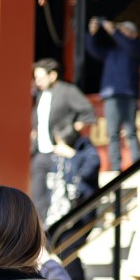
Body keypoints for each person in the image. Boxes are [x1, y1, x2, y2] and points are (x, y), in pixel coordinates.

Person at [30, 59, 97, 222]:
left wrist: (69, 132)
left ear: (53, 75)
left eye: (41, 77)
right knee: (37, 194)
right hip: (40, 151)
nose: (38, 82)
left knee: (58, 196)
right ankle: (41, 231)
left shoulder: (67, 91)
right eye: (36, 78)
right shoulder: (40, 95)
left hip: (60, 150)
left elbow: (88, 113)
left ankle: (58, 233)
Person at [86, 18, 140, 170]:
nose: (121, 33)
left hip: (128, 94)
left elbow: (127, 45)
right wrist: (92, 34)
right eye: (121, 30)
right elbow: (94, 51)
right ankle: (116, 167)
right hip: (111, 95)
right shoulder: (112, 51)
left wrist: (113, 31)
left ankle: (136, 164)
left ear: (133, 34)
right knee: (112, 133)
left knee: (130, 131)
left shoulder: (136, 46)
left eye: (125, 30)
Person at [49, 123, 101, 280]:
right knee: (56, 240)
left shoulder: (86, 151)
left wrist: (72, 156)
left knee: (68, 242)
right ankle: (74, 279)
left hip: (83, 207)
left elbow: (88, 171)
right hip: (65, 208)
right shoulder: (62, 156)